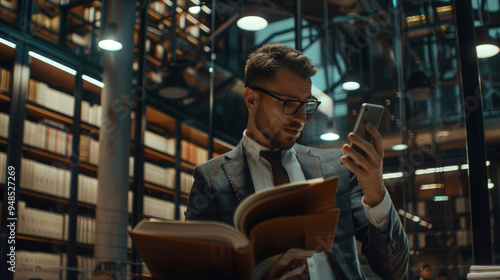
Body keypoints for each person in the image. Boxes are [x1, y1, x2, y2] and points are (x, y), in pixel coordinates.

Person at [185, 43, 409, 279]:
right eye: (289, 104)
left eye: (307, 104)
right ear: (251, 100)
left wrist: (376, 195)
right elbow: (194, 270)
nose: (302, 118)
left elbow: (395, 271)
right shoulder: (211, 178)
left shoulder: (339, 168)